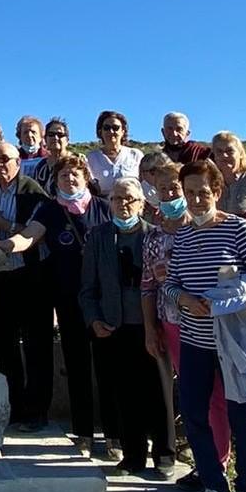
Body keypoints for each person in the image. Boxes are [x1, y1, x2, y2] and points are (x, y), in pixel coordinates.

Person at [164, 160, 246, 492]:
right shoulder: (182, 236)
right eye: (190, 193)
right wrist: (183, 299)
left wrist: (225, 298)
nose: (197, 200)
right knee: (195, 414)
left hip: (233, 342)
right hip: (195, 340)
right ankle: (214, 486)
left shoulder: (237, 230)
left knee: (240, 414)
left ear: (217, 193)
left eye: (204, 193)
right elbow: (169, 284)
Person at [0, 155, 112, 448]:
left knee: (108, 365)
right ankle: (84, 433)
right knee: (76, 365)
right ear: (55, 181)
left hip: (103, 298)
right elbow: (29, 236)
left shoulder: (103, 208)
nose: (69, 180)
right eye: (63, 177)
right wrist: (5, 245)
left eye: (74, 175)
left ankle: (115, 435)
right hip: (68, 297)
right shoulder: (49, 209)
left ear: (86, 177)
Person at [141, 161, 229, 491]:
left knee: (216, 396)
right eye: (164, 190)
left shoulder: (208, 228)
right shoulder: (153, 238)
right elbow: (148, 286)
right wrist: (151, 328)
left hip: (212, 321)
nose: (171, 194)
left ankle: (219, 459)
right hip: (173, 323)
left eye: (175, 189)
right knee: (192, 396)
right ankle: (204, 460)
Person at [79, 178, 175, 475]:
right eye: (117, 198)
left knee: (159, 391)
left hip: (152, 325)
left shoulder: (155, 236)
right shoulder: (98, 237)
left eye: (130, 199)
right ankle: (133, 456)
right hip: (114, 326)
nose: (124, 204)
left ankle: (165, 453)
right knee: (125, 393)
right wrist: (94, 319)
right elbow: (87, 288)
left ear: (142, 203)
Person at [0, 142, 52, 430]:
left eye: (5, 159)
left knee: (37, 346)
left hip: (32, 277)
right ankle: (14, 407)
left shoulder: (33, 191)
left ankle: (37, 411)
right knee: (4, 346)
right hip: (0, 280)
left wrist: (5, 225)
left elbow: (36, 232)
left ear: (18, 162)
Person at [86, 110, 144, 197]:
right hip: (102, 206)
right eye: (106, 128)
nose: (111, 131)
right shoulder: (91, 158)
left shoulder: (135, 155)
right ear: (100, 131)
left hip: (131, 205)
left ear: (123, 131)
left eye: (115, 128)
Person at [30, 117, 72, 196]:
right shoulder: (41, 167)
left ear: (67, 140)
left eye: (60, 135)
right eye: (51, 135)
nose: (55, 138)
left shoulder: (76, 162)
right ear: (45, 140)